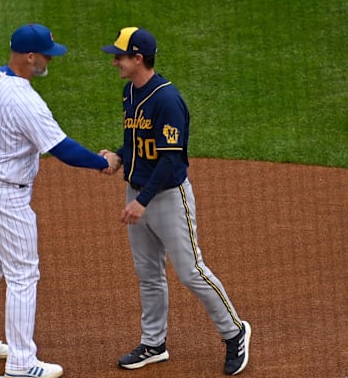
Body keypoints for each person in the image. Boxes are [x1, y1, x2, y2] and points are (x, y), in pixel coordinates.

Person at [0, 23, 119, 378]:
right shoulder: (26, 101)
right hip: (5, 198)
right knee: (23, 275)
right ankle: (21, 362)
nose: (50, 59)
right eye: (47, 54)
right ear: (30, 56)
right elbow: (62, 149)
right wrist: (103, 163)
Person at [99, 27, 251, 375]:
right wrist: (119, 156)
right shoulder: (129, 93)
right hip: (137, 193)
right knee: (148, 275)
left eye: (120, 56)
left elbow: (171, 161)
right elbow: (139, 144)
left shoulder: (167, 100)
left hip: (166, 197)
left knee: (191, 271)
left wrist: (143, 202)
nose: (115, 62)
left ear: (138, 58)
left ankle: (235, 331)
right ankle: (153, 343)